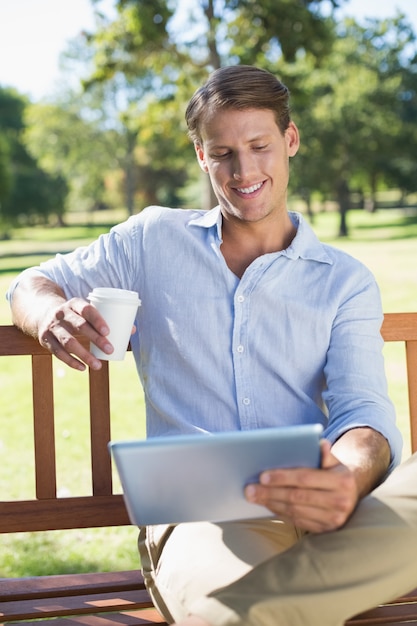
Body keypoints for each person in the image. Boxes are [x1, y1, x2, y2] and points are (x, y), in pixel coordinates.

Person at [6, 65, 413, 625]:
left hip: (333, 511)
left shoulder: (343, 280)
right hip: (204, 519)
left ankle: (284, 604)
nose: (244, 171)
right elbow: (29, 283)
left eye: (259, 145)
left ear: (290, 140)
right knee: (236, 615)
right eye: (222, 153)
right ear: (201, 156)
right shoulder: (151, 241)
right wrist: (50, 313)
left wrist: (343, 479)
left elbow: (363, 411)